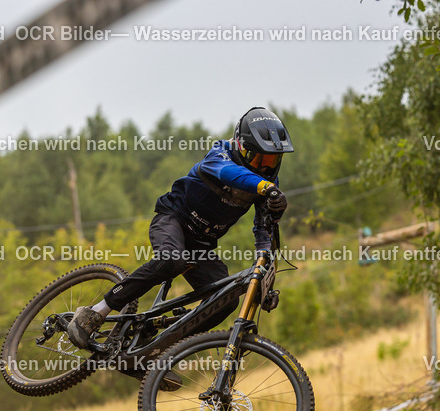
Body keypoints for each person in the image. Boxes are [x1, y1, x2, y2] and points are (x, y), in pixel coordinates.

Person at [66, 106, 293, 377]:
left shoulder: (267, 183)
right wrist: (264, 187)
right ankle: (94, 313)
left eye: (272, 161)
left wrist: (266, 267)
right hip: (173, 220)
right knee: (171, 260)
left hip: (203, 245)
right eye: (260, 159)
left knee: (226, 299)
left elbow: (263, 231)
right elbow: (228, 173)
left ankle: (156, 352)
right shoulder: (220, 154)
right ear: (241, 147)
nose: (265, 167)